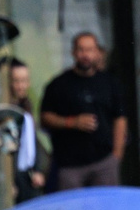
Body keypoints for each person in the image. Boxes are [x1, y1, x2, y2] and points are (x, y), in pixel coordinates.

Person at [38, 32, 128, 192]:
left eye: (90, 50)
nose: (85, 55)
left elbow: (120, 119)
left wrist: (117, 155)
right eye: (81, 50)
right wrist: (72, 122)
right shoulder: (58, 85)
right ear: (73, 52)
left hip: (104, 162)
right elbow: (45, 118)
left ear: (97, 52)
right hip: (70, 166)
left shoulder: (110, 83)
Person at [6, 60, 45, 201]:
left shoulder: (26, 107)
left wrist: (38, 170)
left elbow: (32, 142)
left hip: (28, 176)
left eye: (24, 81)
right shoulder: (5, 110)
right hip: (13, 178)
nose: (21, 86)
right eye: (16, 81)